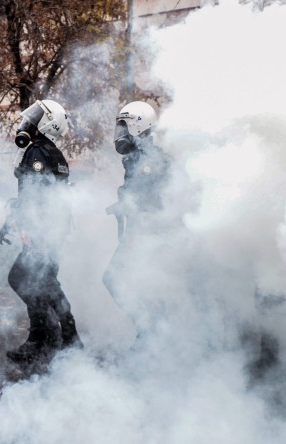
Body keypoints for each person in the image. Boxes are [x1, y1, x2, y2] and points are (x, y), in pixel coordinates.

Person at [6, 99, 82, 364]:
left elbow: (35, 192)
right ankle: (47, 337)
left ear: (47, 123)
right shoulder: (53, 152)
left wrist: (27, 224)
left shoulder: (38, 151)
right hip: (52, 228)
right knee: (37, 280)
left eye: (35, 117)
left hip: (42, 229)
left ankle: (61, 337)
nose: (28, 121)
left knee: (32, 279)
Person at [102, 101, 171, 338]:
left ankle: (152, 334)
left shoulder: (148, 158)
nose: (120, 134)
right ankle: (152, 334)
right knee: (138, 283)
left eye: (124, 127)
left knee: (115, 278)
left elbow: (146, 197)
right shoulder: (137, 156)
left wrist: (126, 203)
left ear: (139, 126)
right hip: (143, 232)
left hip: (148, 233)